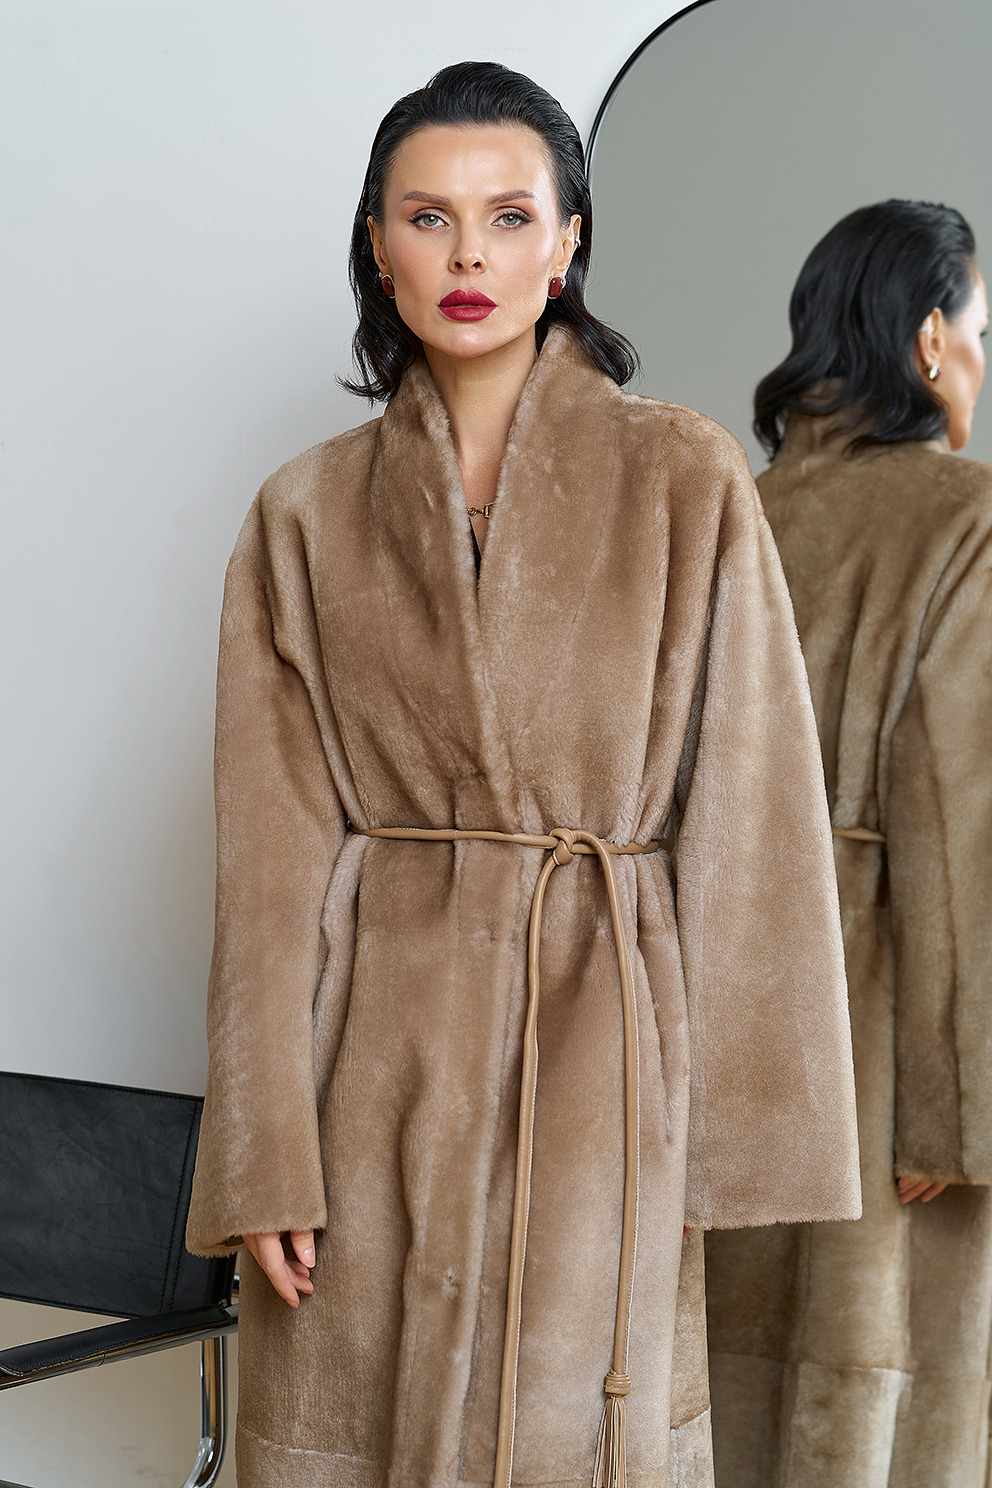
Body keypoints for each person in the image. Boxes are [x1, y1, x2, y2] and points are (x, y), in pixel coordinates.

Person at [185, 61, 861, 1488]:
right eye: (426, 217)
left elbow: (750, 808)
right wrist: (263, 1154)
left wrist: (720, 1140)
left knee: (575, 1432)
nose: (467, 257)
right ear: (378, 245)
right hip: (371, 1069)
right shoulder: (303, 513)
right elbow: (268, 860)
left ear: (567, 245)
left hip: (606, 1058)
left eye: (508, 217)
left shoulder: (682, 478)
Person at [705, 200, 992, 1487]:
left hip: (721, 1038)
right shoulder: (963, 519)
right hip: (881, 1045)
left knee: (722, 1397)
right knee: (878, 1397)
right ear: (927, 338)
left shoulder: (730, 515)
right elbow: (958, 824)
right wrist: (955, 1121)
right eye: (979, 331)